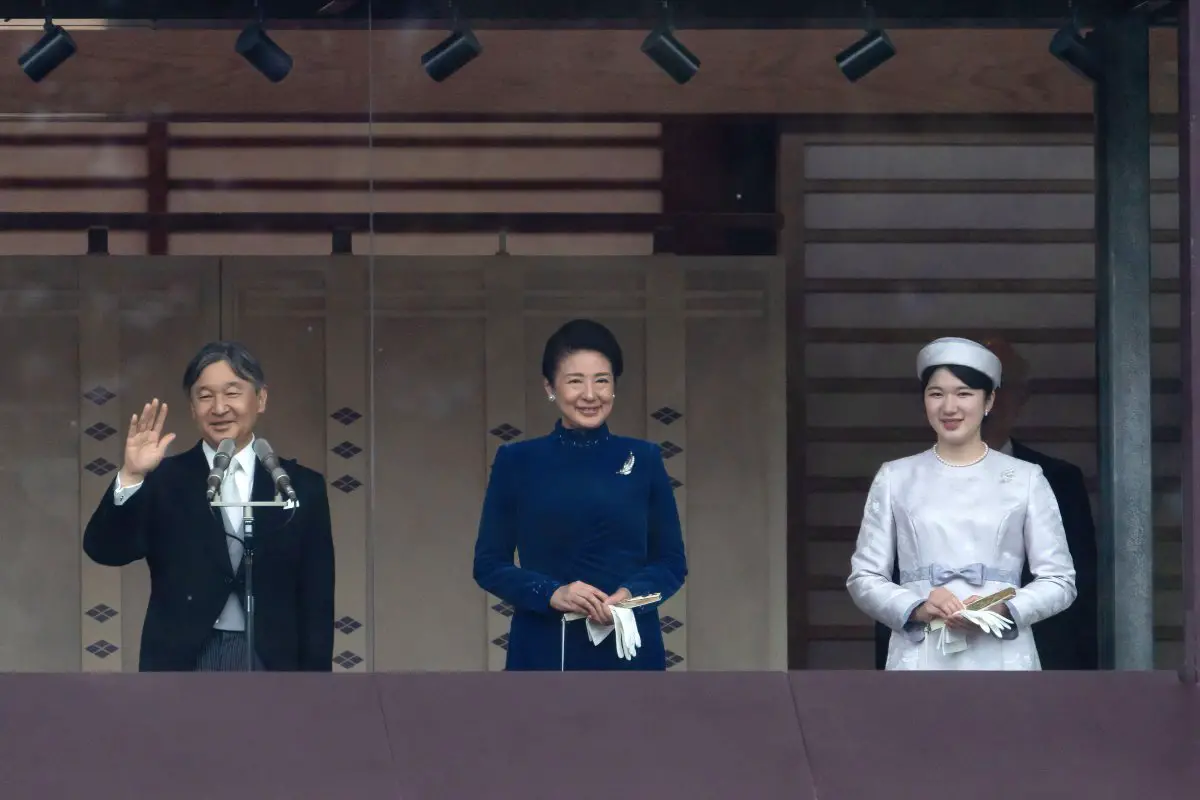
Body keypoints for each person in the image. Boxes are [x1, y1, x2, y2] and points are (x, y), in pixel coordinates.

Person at [83, 341, 335, 672]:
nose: (219, 408)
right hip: (182, 661)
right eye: (205, 396)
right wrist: (131, 475)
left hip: (274, 660)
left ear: (260, 399)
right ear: (192, 407)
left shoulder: (299, 486)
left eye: (232, 393)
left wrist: (316, 689)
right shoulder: (165, 480)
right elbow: (106, 550)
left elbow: (316, 598)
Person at [848, 336, 1077, 670]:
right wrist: (917, 606)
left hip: (1002, 655)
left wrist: (1001, 608)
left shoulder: (1027, 478)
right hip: (920, 652)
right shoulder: (895, 477)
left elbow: (1060, 581)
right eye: (936, 393)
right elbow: (864, 577)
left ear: (989, 401)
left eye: (964, 393)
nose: (949, 407)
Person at [472, 319, 688, 670]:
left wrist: (630, 597)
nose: (590, 395)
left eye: (602, 380)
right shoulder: (517, 460)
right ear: (550, 388)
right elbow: (488, 565)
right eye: (575, 381)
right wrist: (553, 593)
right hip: (543, 647)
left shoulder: (644, 458)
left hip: (629, 647)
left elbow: (671, 563)